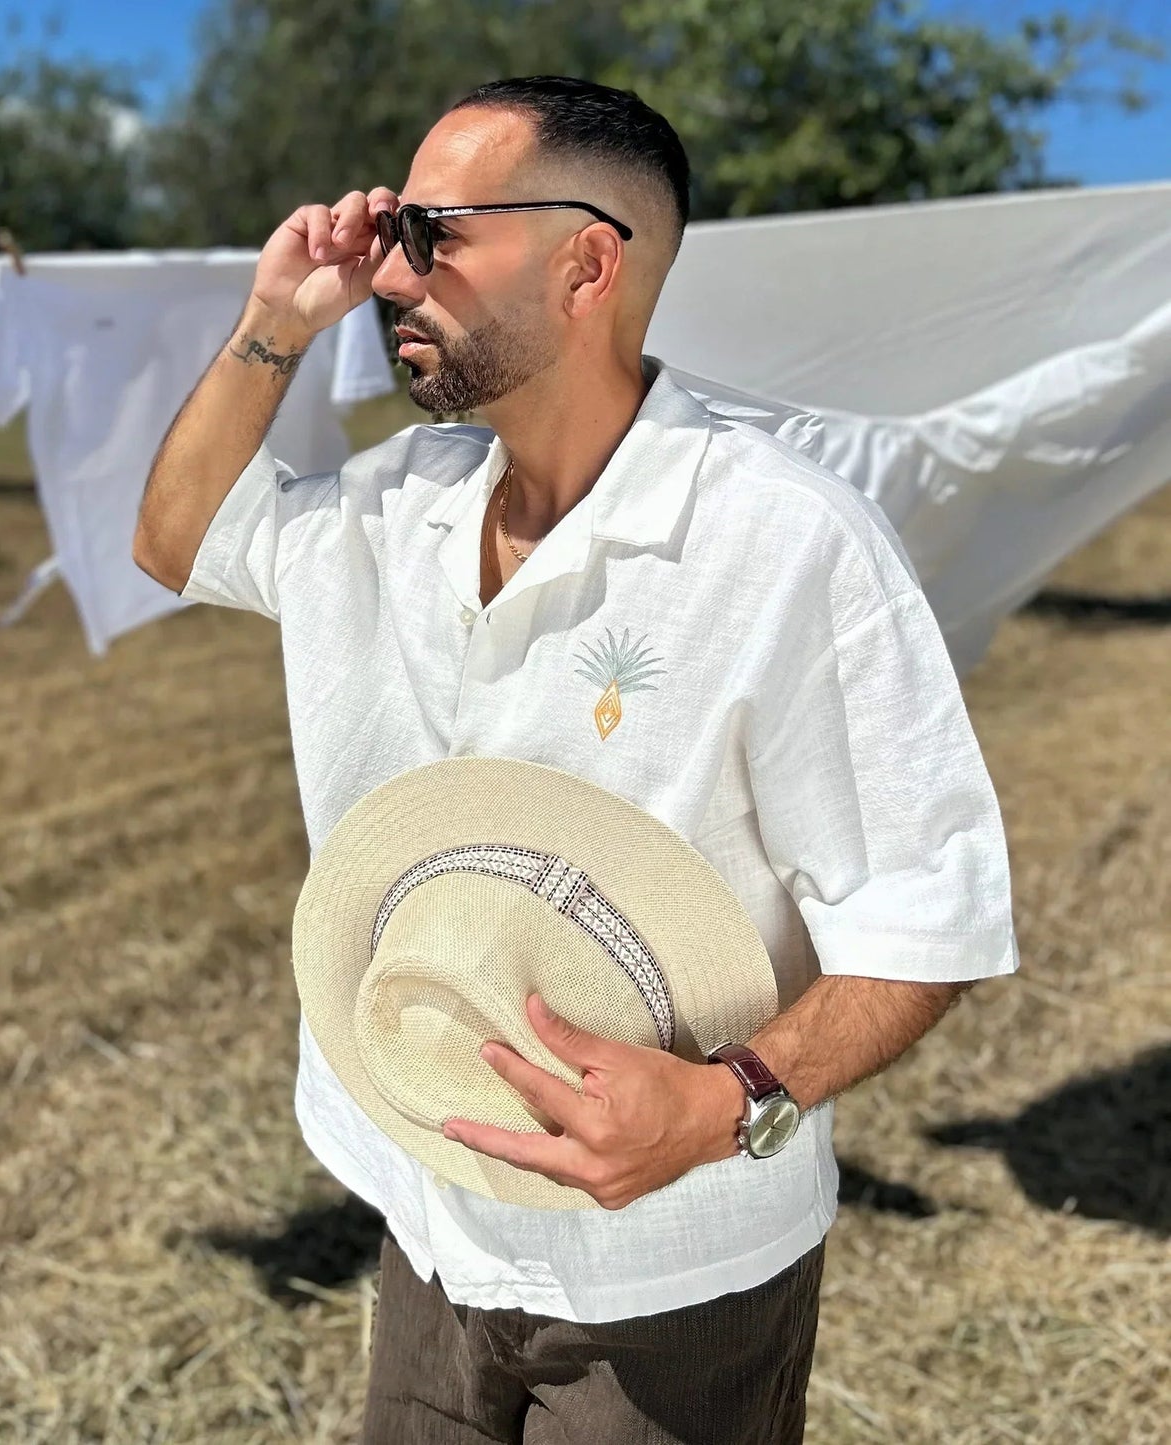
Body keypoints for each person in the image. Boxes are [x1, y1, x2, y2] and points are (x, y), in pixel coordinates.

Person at [134, 75, 1018, 1445]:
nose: (387, 272)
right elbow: (177, 538)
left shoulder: (785, 543)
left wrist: (730, 1101)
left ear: (586, 261)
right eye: (392, 227)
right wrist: (272, 323)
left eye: (433, 233)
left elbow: (923, 918)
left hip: (675, 1270)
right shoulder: (395, 498)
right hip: (427, 1210)